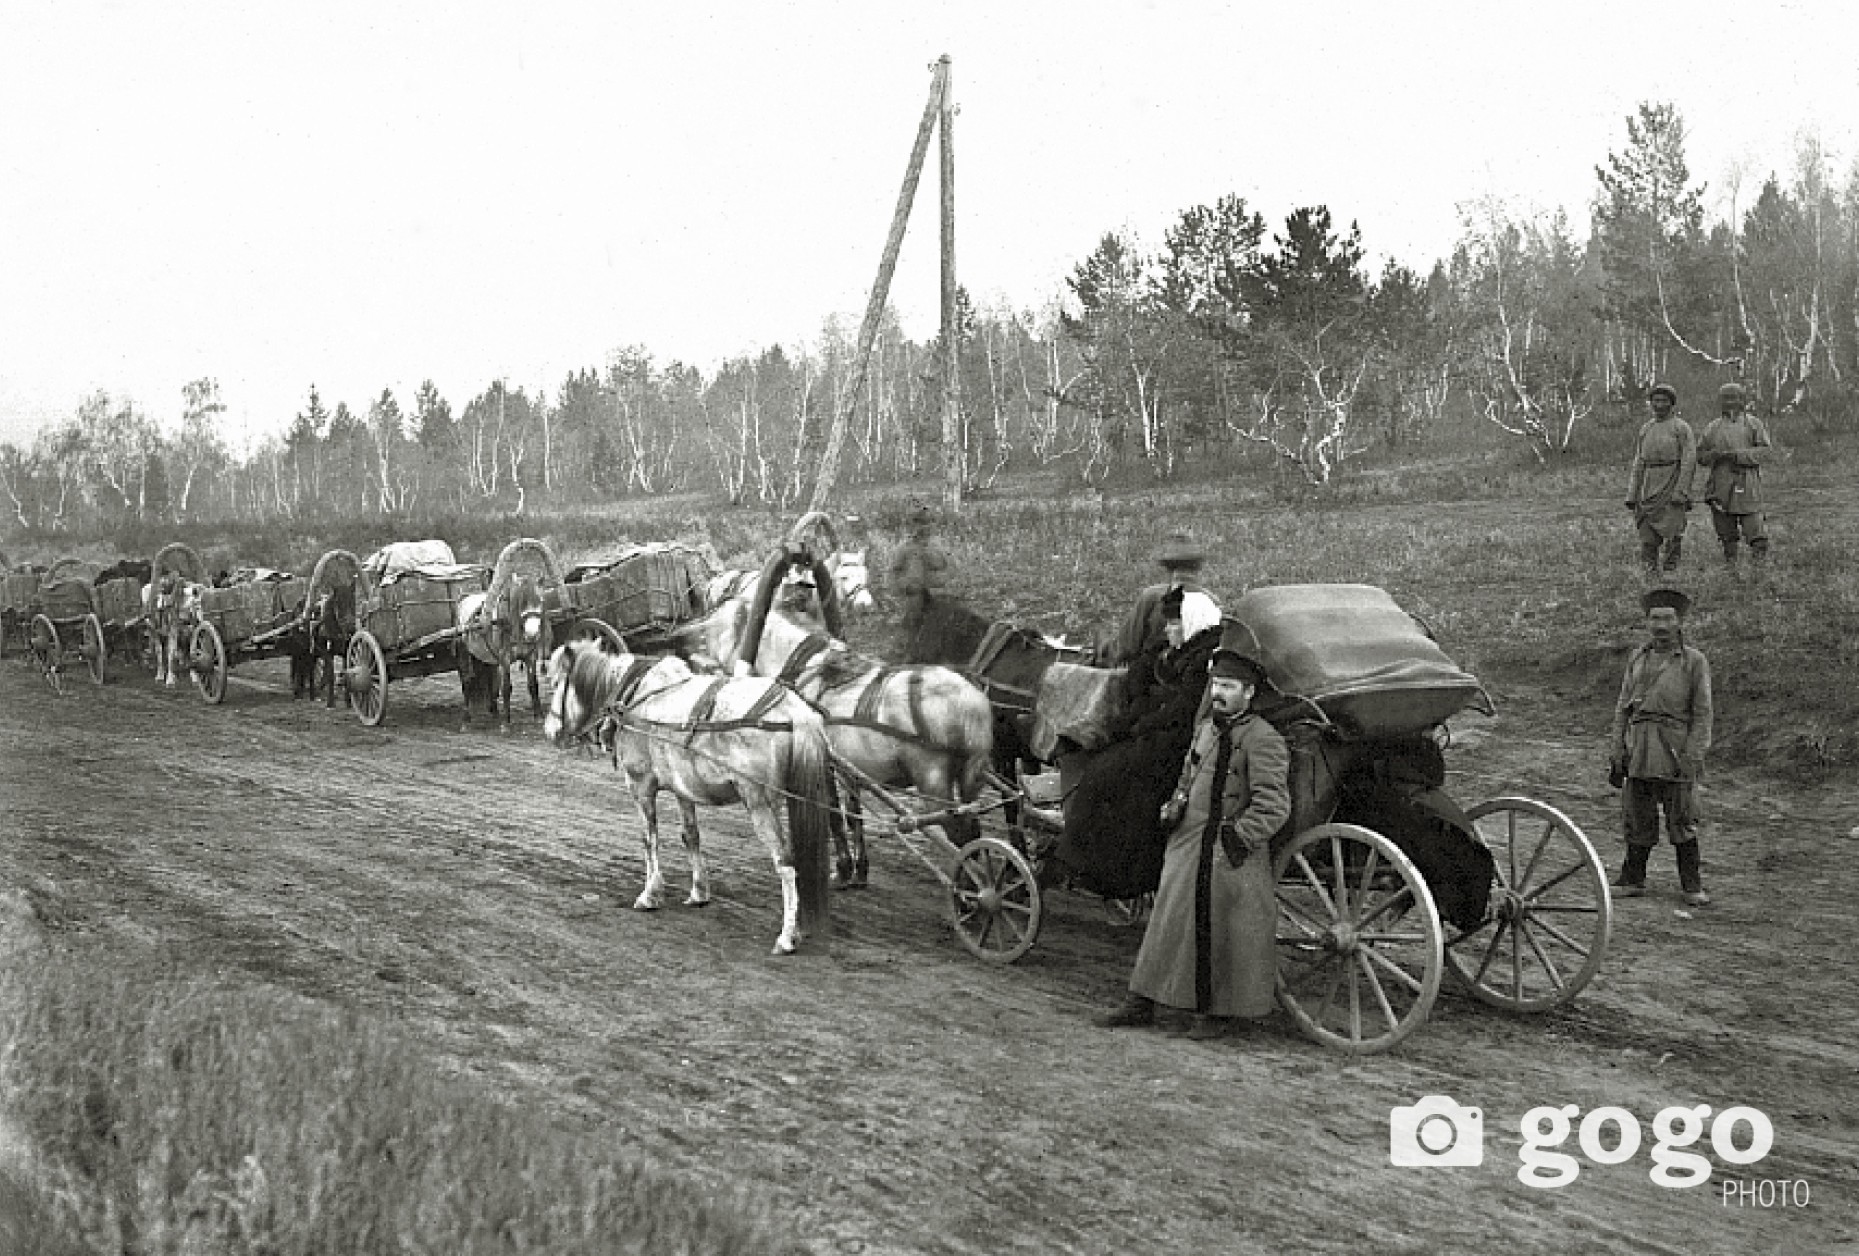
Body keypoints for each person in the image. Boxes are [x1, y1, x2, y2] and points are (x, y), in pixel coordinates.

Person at [1098, 647, 1291, 1040]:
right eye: (1216, 684)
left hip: (1229, 851)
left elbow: (1275, 804)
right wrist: (1174, 806)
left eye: (1229, 687)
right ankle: (1143, 1000)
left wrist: (1237, 838)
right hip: (1189, 843)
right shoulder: (1205, 729)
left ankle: (1218, 1015)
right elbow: (1189, 774)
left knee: (1224, 933)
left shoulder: (1264, 740)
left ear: (1249, 693)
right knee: (1166, 925)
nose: (1218, 693)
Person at [1052, 587, 1224, 899]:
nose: (1168, 630)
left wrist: (1137, 725)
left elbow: (1181, 710)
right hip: (1164, 738)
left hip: (1173, 746)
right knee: (1104, 757)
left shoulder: (1201, 661)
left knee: (1100, 775)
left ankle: (1076, 857)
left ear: (1191, 621)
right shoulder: (1187, 651)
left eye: (1174, 624)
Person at [1609, 587, 1714, 906]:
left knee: (1682, 818)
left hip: (1675, 748)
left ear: (1679, 622)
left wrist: (1693, 755)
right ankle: (1633, 878)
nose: (1661, 625)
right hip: (1641, 747)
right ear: (1647, 623)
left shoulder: (1694, 661)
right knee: (1637, 817)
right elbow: (1622, 707)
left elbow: (1703, 712)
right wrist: (1618, 748)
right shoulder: (1638, 658)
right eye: (1655, 618)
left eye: (1668, 618)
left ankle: (1691, 885)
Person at [1696, 381, 1774, 571]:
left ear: (1742, 400)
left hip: (1746, 482)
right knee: (1725, 528)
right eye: (1725, 398)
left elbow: (1765, 452)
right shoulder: (1712, 427)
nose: (1730, 402)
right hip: (1721, 483)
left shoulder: (1753, 424)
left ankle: (1759, 567)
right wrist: (1712, 456)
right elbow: (1700, 455)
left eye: (1734, 398)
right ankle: (1731, 567)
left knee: (1754, 527)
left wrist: (1737, 455)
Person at [1102, 533, 1208, 666]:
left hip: (1150, 675)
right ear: (1197, 568)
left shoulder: (1153, 596)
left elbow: (1126, 646)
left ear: (1168, 569)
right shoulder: (1212, 602)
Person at [1625, 383, 1698, 576]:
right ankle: (1650, 571)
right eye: (1655, 401)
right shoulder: (1646, 428)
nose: (1659, 405)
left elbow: (1689, 460)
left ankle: (1671, 571)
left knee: (1673, 532)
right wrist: (1632, 493)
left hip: (1671, 483)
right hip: (1649, 487)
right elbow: (1639, 461)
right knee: (1647, 535)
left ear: (1672, 404)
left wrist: (1681, 490)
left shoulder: (1681, 428)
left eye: (1664, 401)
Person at [887, 503, 949, 652]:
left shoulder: (938, 546)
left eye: (928, 523)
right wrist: (904, 586)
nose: (924, 528)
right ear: (913, 525)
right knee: (911, 624)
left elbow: (949, 569)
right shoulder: (905, 548)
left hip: (937, 596)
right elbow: (893, 573)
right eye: (920, 524)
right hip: (913, 596)